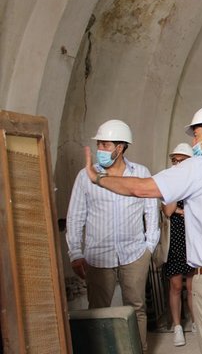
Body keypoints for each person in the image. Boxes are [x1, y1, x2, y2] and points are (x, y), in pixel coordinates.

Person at [81, 105, 202, 354]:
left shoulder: (197, 168)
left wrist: (98, 178)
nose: (194, 142)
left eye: (196, 135)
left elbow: (141, 188)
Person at [66, 119, 159, 353]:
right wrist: (75, 252)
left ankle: (140, 349)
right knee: (98, 309)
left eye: (105, 145)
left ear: (120, 148)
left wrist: (149, 246)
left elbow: (151, 212)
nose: (101, 150)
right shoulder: (85, 176)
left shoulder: (140, 173)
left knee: (136, 307)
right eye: (99, 144)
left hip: (135, 254)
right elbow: (75, 215)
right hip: (98, 256)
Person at [162, 143, 196, 347]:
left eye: (181, 160)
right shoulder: (170, 182)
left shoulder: (196, 181)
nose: (177, 164)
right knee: (175, 285)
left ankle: (195, 321)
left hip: (193, 238)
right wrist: (176, 185)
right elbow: (168, 211)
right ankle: (177, 326)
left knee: (192, 286)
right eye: (174, 160)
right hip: (175, 238)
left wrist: (181, 212)